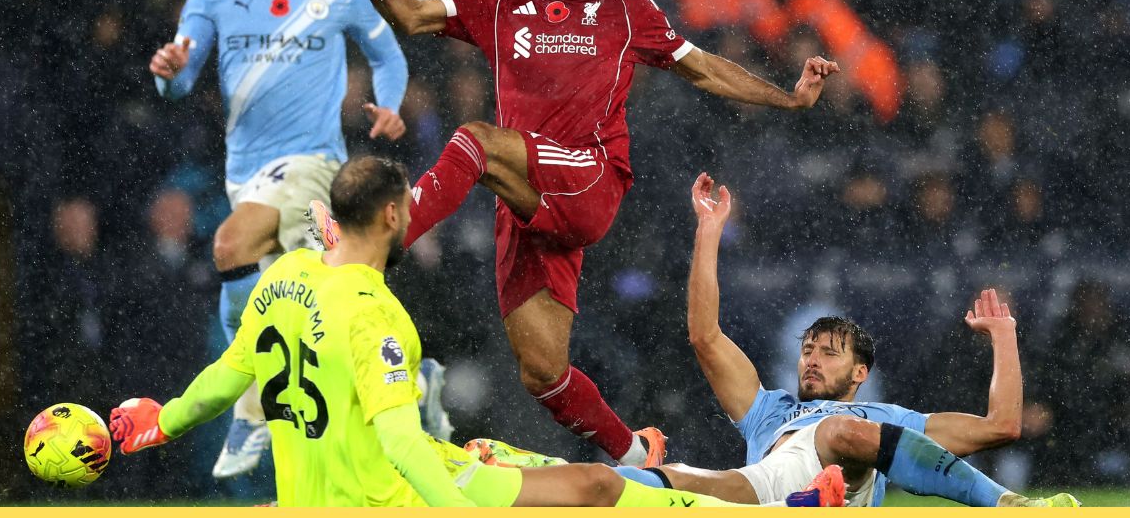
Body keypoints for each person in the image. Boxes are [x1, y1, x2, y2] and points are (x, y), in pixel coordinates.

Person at [332, 0, 840, 467]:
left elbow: (702, 68)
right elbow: (416, 14)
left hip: (589, 179)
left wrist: (788, 99)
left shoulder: (625, 8)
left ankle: (377, 240)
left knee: (473, 138)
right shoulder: (500, 1)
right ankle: (638, 456)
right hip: (525, 200)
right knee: (543, 373)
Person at [107, 156, 846, 508]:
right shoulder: (376, 314)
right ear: (396, 216)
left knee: (524, 462)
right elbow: (398, 445)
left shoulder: (282, 280)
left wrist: (158, 421)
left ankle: (675, 475)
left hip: (322, 499)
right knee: (590, 487)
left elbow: (226, 379)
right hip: (395, 499)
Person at [147, 0, 409, 478]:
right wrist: (166, 74)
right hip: (246, 173)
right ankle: (405, 385)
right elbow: (182, 80)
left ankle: (252, 406)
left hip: (315, 165)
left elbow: (388, 54)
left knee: (230, 243)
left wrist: (391, 106)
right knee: (316, 307)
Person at [609, 173, 1080, 507]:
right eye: (808, 350)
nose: (812, 360)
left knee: (839, 436)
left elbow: (1002, 425)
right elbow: (704, 335)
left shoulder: (891, 422)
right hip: (763, 495)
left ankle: (1007, 503)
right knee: (629, 484)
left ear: (861, 374)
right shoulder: (768, 411)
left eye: (829, 353)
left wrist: (1003, 337)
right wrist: (709, 233)